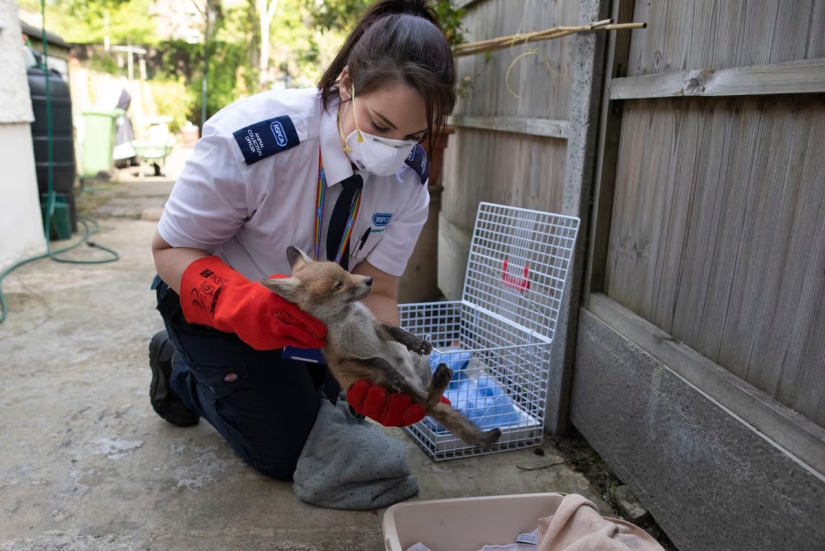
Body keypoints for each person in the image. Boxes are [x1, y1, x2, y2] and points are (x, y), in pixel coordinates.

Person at [147, 0, 456, 481]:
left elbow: (381, 290)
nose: (394, 151)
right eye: (380, 126)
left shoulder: (409, 181)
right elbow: (170, 249)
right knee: (285, 452)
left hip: (320, 320)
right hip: (220, 310)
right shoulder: (252, 142)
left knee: (341, 412)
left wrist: (388, 365)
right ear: (347, 82)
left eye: (413, 136)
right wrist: (237, 302)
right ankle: (178, 363)